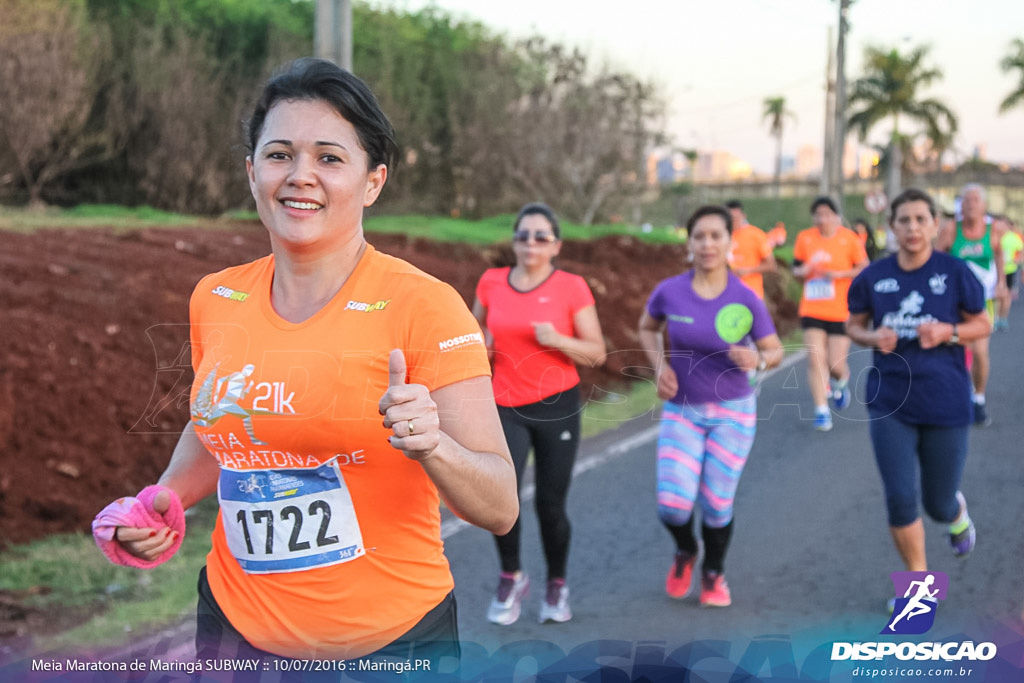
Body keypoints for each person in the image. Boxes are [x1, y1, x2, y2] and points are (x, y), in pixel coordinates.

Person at [91, 58, 518, 668]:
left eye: (329, 158)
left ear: (373, 182)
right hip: (233, 631)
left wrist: (434, 446)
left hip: (388, 646)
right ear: (251, 171)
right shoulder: (216, 296)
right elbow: (221, 420)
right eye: (279, 154)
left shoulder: (426, 306)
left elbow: (500, 506)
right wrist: (163, 498)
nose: (300, 176)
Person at [847, 188, 988, 608]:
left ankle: (956, 514)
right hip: (890, 397)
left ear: (936, 225)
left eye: (920, 220)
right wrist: (873, 336)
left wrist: (950, 332)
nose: (912, 228)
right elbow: (853, 325)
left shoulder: (956, 271)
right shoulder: (873, 276)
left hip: (945, 398)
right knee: (900, 496)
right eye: (903, 220)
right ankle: (919, 591)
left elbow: (981, 323)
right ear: (892, 227)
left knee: (938, 503)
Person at [638, 205, 783, 607]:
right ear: (689, 243)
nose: (707, 244)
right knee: (672, 504)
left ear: (730, 243)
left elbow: (775, 351)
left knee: (717, 505)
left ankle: (714, 574)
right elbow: (647, 327)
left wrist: (757, 359)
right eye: (699, 236)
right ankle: (686, 550)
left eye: (716, 236)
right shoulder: (670, 291)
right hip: (682, 410)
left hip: (733, 413)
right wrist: (659, 366)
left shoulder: (746, 298)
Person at [472, 203, 606, 625]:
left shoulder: (571, 287)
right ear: (514, 241)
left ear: (556, 246)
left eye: (541, 237)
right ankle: (511, 576)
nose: (531, 243)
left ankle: (557, 585)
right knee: (503, 498)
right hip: (504, 404)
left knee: (550, 504)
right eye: (524, 235)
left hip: (556, 407)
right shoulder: (492, 282)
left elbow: (597, 353)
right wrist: (480, 342)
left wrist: (558, 340)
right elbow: (477, 332)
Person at [792, 196, 869, 431]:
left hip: (840, 309)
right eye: (818, 214)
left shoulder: (849, 238)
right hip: (812, 309)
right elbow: (796, 270)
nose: (822, 218)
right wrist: (804, 270)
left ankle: (840, 382)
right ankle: (821, 411)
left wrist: (840, 275)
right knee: (815, 359)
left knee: (835, 364)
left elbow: (864, 268)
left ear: (837, 216)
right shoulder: (805, 238)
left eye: (827, 213)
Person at [936, 183, 1006, 426]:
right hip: (954, 302)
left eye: (976, 200)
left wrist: (1002, 283)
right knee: (954, 349)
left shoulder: (992, 229)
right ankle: (954, 396)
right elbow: (936, 258)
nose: (971, 204)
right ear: (960, 206)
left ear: (984, 205)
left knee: (979, 351)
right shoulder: (951, 230)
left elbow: (998, 254)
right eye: (966, 200)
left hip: (982, 301)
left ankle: (978, 397)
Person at [726, 199, 777, 299]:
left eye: (735, 218)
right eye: (730, 218)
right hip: (726, 294)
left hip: (751, 295)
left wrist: (747, 271)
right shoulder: (721, 236)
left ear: (743, 216)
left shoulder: (756, 235)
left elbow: (771, 265)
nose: (733, 221)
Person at [996, 215, 1023, 330]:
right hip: (997, 270)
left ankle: (1003, 319)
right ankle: (996, 318)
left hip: (1010, 269)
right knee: (997, 295)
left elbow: (1021, 249)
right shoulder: (995, 236)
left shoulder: (1013, 237)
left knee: (1006, 295)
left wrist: (1019, 259)